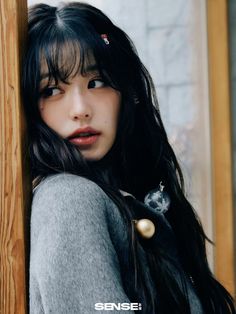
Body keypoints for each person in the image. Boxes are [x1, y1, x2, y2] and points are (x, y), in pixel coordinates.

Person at [22, 2, 235, 313]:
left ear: (127, 92)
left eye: (96, 83)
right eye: (52, 89)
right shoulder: (68, 199)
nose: (80, 109)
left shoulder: (126, 194)